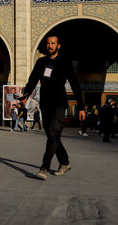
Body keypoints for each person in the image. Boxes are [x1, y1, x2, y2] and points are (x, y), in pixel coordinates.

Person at [18, 35, 85, 180]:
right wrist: (26, 94)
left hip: (59, 103)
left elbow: (75, 84)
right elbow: (32, 80)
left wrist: (81, 107)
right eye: (48, 43)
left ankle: (44, 168)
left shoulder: (65, 62)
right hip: (45, 103)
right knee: (52, 136)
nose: (50, 46)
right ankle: (65, 163)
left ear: (58, 46)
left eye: (53, 43)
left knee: (53, 135)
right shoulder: (41, 62)